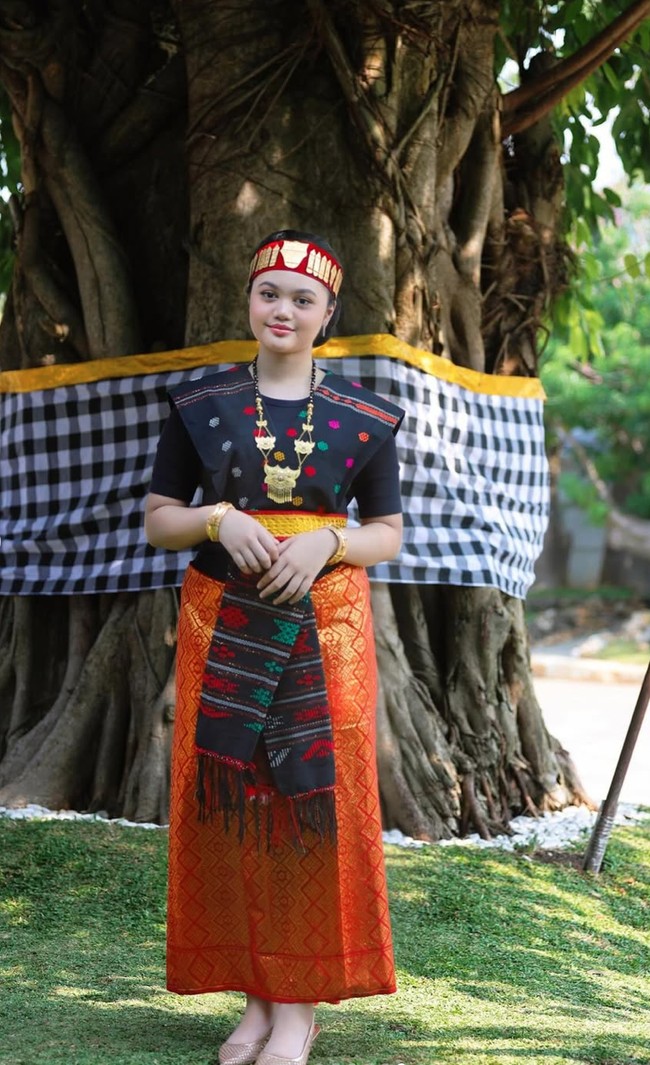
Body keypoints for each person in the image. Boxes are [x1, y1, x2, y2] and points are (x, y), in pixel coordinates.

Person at [145, 230, 404, 1065]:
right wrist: (219, 517)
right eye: (269, 292)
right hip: (221, 625)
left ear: (329, 313)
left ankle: (298, 1010)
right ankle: (256, 1003)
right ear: (249, 302)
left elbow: (389, 536)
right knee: (238, 806)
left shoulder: (363, 417)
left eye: (303, 297)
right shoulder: (201, 406)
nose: (283, 308)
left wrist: (327, 540)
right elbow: (159, 520)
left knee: (309, 807)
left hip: (326, 637)